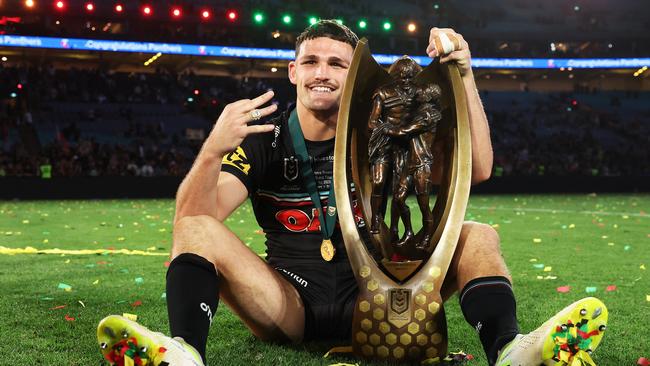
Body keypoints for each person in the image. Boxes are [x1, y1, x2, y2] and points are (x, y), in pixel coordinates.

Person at [97, 20, 607, 366]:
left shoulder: (381, 134)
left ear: (355, 76)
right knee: (195, 228)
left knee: (478, 235)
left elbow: (478, 169)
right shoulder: (264, 142)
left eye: (338, 64)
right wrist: (211, 149)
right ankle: (185, 353)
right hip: (289, 302)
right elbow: (191, 222)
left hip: (383, 300)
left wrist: (465, 75)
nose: (323, 73)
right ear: (294, 72)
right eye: (312, 61)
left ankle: (510, 350)